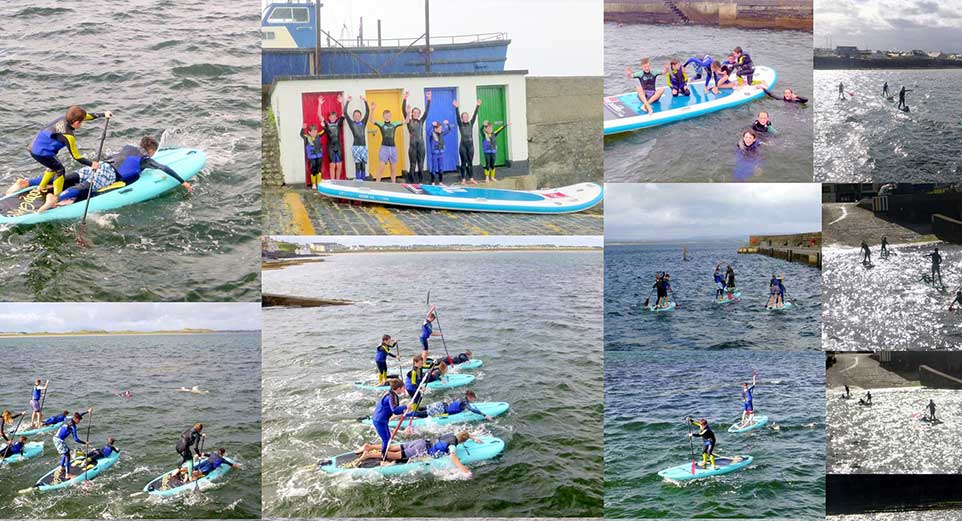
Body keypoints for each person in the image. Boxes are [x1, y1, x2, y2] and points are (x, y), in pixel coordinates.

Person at [8, 136, 192, 213]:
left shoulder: (127, 147)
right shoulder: (145, 158)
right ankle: (55, 198)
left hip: (100, 165)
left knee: (73, 177)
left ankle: (28, 182)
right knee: (86, 186)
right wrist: (182, 182)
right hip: (110, 174)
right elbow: (163, 168)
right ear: (150, 149)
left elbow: (111, 157)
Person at [29, 105, 112, 196]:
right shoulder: (68, 136)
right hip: (41, 152)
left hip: (34, 146)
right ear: (76, 123)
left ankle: (41, 187)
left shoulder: (66, 117)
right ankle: (57, 197)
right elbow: (76, 156)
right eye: (81, 122)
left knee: (53, 166)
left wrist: (103, 114)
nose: (82, 123)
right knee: (60, 170)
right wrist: (92, 164)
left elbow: (86, 116)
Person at [352, 431, 480, 474]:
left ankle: (369, 446)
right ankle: (368, 455)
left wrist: (473, 437)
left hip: (421, 442)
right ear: (462, 442)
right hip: (421, 450)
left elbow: (463, 434)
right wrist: (463, 469)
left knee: (393, 447)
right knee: (394, 456)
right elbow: (453, 456)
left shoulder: (451, 435)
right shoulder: (453, 445)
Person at [372, 379, 412, 460]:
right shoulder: (391, 396)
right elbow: (395, 410)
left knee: (388, 438)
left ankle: (385, 453)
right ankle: (384, 457)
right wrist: (405, 407)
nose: (404, 389)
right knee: (386, 440)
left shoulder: (391, 393)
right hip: (379, 420)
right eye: (403, 388)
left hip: (382, 419)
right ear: (399, 388)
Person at [403, 91, 432, 183]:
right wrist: (405, 98)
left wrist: (429, 100)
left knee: (421, 165)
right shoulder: (409, 121)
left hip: (421, 145)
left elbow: (426, 112)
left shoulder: (421, 121)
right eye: (414, 112)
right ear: (412, 113)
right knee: (412, 164)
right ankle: (412, 182)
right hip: (412, 146)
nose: (416, 114)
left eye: (417, 112)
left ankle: (421, 181)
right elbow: (403, 110)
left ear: (419, 114)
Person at [52, 409, 91, 479]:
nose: (79, 422)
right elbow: (76, 439)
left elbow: (79, 415)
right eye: (79, 420)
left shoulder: (69, 420)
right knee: (67, 455)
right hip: (59, 441)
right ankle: (68, 474)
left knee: (66, 452)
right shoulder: (73, 427)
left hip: (56, 438)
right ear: (75, 419)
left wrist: (87, 412)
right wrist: (85, 443)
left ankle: (62, 467)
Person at [407, 391, 493, 420]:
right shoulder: (465, 403)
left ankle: (408, 408)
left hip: (441, 404)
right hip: (442, 411)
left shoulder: (461, 396)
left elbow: (452, 400)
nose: (473, 400)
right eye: (473, 398)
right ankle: (403, 415)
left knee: (423, 408)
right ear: (469, 397)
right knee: (422, 414)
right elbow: (472, 410)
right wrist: (484, 415)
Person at [452, 99, 481, 183]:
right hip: (463, 146)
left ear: (468, 118)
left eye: (466, 117)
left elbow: (475, 115)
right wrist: (456, 108)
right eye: (463, 117)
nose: (465, 118)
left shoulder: (471, 123)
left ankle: (471, 178)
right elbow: (457, 116)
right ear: (461, 118)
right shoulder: (460, 124)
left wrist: (477, 106)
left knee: (470, 162)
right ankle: (463, 179)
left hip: (470, 146)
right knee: (464, 163)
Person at [344, 96, 372, 181]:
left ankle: (363, 180)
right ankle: (358, 180)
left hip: (363, 146)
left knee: (363, 165)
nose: (357, 117)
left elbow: (367, 112)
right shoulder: (352, 123)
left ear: (360, 116)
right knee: (358, 165)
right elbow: (345, 112)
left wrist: (365, 101)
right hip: (356, 146)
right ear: (353, 117)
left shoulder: (363, 123)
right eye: (355, 115)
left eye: (358, 115)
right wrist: (348, 102)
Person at [373, 110, 404, 183]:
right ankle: (377, 184)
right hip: (384, 147)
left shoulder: (394, 124)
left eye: (388, 115)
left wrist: (408, 113)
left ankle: (393, 184)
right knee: (381, 168)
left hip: (393, 148)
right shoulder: (381, 124)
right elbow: (371, 120)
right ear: (383, 116)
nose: (387, 116)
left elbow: (406, 121)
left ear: (390, 116)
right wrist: (372, 110)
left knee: (393, 169)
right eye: (386, 115)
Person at [320, 97, 346, 181]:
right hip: (330, 146)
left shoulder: (338, 123)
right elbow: (319, 116)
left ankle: (337, 181)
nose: (333, 118)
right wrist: (319, 104)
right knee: (332, 165)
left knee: (339, 165)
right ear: (329, 117)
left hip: (338, 146)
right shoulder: (327, 124)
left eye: (334, 116)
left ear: (336, 117)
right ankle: (332, 181)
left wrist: (342, 102)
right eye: (331, 116)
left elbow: (343, 114)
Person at [427, 120, 452, 185]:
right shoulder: (432, 134)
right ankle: (433, 182)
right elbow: (428, 132)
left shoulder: (442, 133)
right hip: (435, 154)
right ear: (435, 128)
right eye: (439, 128)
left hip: (441, 153)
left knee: (441, 168)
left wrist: (447, 124)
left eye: (441, 128)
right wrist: (432, 125)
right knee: (434, 168)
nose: (440, 129)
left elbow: (449, 130)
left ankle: (441, 182)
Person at [299, 124, 324, 188]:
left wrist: (323, 125)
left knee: (319, 169)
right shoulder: (307, 137)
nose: (314, 133)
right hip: (312, 157)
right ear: (309, 132)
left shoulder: (318, 135)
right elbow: (301, 134)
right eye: (312, 132)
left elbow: (325, 131)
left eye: (315, 131)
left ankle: (318, 183)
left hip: (319, 155)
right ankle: (313, 184)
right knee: (313, 169)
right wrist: (303, 128)